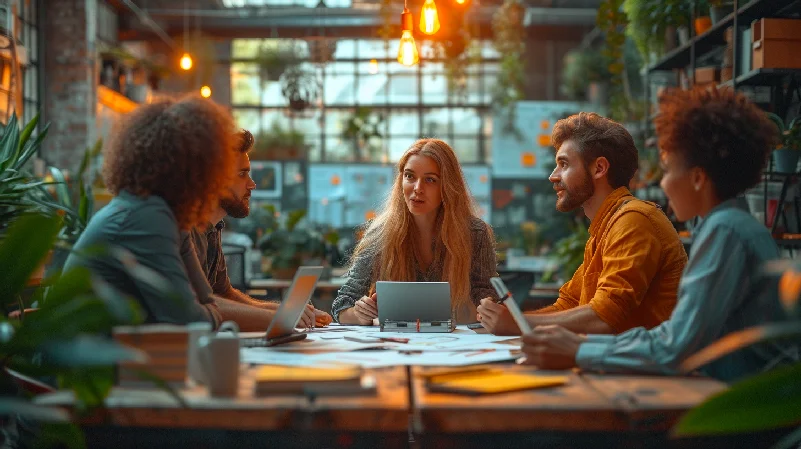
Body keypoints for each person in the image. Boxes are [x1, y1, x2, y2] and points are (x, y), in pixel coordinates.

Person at [520, 86, 799, 382]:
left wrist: (580, 350)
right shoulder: (729, 226)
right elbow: (675, 338)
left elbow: (674, 348)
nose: (663, 185)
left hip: (744, 410)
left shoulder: (725, 231)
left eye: (666, 170)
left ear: (697, 178)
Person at [63, 96, 277, 331]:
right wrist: (280, 320)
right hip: (88, 363)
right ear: (194, 169)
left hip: (126, 356)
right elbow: (191, 319)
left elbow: (206, 301)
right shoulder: (146, 215)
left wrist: (279, 317)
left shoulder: (170, 216)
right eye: (218, 166)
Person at [478, 112, 687, 336]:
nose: (553, 176)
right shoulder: (604, 228)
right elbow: (567, 305)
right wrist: (510, 320)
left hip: (645, 368)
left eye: (564, 164)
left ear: (599, 168)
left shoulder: (634, 220)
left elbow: (605, 316)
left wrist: (518, 324)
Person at [332, 138, 499, 325]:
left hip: (452, 345)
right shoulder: (380, 233)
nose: (417, 188)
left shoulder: (474, 233)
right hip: (395, 347)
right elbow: (341, 306)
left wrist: (489, 306)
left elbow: (487, 296)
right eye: (410, 176)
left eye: (430, 180)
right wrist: (359, 314)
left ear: (448, 186)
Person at [180, 129, 332, 328]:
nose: (252, 185)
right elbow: (200, 305)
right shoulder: (185, 229)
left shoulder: (213, 228)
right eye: (242, 174)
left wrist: (285, 310)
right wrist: (281, 318)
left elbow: (224, 294)